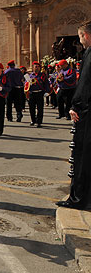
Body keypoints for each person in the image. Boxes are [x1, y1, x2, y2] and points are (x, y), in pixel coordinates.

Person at [58, 21, 91, 209]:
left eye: (79, 37)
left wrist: (75, 106)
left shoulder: (89, 54)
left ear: (85, 35)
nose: (79, 41)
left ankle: (77, 198)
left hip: (86, 113)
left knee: (81, 157)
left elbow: (85, 83)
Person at [26, 61, 49, 128]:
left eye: (38, 67)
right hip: (32, 93)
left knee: (40, 108)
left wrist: (47, 92)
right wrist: (29, 84)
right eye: (35, 67)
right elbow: (26, 84)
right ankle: (33, 120)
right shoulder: (30, 76)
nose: (37, 68)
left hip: (39, 92)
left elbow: (46, 83)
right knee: (32, 108)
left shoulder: (43, 75)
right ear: (33, 68)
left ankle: (39, 121)